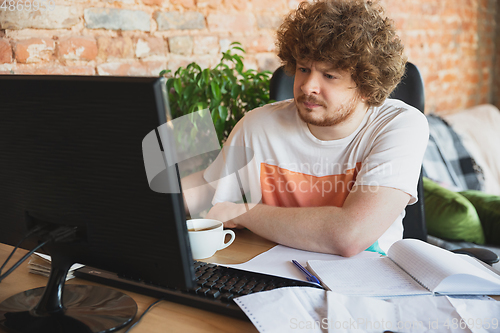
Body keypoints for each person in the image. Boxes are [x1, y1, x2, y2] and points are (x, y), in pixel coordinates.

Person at [182, 0, 429, 257]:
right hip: (273, 278)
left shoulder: (400, 125)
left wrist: (243, 212)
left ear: (366, 86)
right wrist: (143, 197)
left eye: (329, 75)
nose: (307, 86)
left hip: (367, 285)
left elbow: (349, 235)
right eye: (303, 69)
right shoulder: (257, 126)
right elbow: (206, 186)